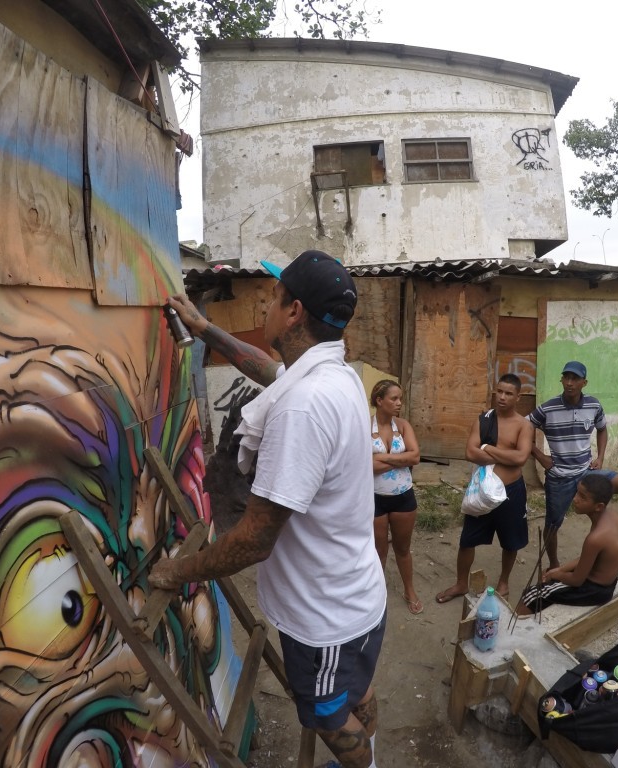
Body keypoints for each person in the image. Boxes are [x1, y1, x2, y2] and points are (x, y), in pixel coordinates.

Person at [149, 250, 386, 768]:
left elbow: (256, 539)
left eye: (274, 296)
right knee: (357, 688)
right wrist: (205, 330)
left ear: (294, 311)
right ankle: (369, 755)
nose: (266, 304)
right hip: (360, 598)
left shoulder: (301, 408)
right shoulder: (334, 376)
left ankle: (364, 763)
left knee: (326, 713)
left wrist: (177, 571)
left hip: (324, 618)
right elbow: (268, 369)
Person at [529, 361, 618, 568]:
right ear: (561, 380)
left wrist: (600, 457)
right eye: (566, 378)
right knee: (552, 525)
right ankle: (554, 564)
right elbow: (522, 428)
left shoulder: (593, 405)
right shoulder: (548, 408)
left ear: (584, 382)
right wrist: (540, 456)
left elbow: (602, 429)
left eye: (575, 379)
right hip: (559, 476)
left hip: (587, 473)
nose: (570, 383)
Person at [435, 374, 534, 604]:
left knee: (511, 542)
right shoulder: (484, 420)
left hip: (511, 492)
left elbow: (520, 458)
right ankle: (461, 583)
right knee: (467, 540)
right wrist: (503, 455)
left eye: (508, 393)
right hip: (481, 492)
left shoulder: (524, 425)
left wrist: (487, 448)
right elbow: (470, 452)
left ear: (518, 397)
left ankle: (504, 581)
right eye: (499, 391)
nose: (502, 397)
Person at [515, 473, 618, 616]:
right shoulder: (612, 515)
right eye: (577, 492)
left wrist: (555, 575)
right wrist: (558, 571)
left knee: (531, 595)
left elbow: (577, 580)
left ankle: (516, 630)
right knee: (550, 579)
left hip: (593, 590)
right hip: (607, 582)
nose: (575, 499)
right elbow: (589, 559)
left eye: (582, 497)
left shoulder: (596, 538)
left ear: (598, 506)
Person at [369, 379, 422, 614]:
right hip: (374, 498)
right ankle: (376, 593)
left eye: (400, 398)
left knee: (403, 549)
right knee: (378, 551)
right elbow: (364, 466)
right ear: (379, 401)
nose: (399, 403)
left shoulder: (403, 425)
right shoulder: (363, 427)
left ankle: (409, 589)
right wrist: (401, 460)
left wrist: (381, 459)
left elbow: (416, 457)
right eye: (394, 398)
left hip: (403, 497)